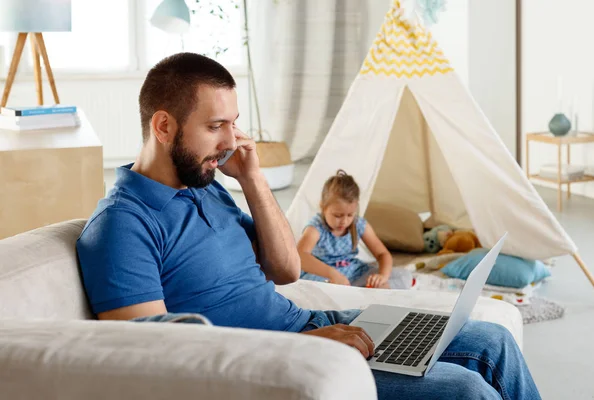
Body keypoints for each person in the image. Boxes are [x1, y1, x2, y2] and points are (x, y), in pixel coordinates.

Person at [76, 52, 541, 400]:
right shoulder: (122, 225)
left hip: (311, 328)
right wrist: (301, 348)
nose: (231, 142)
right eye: (216, 126)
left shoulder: (207, 186)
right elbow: (143, 354)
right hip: (281, 363)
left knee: (492, 342)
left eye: (234, 125)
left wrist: (253, 180)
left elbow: (285, 271)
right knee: (463, 389)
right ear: (163, 126)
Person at [297, 169, 413, 289]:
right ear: (323, 206)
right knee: (318, 290)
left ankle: (368, 292)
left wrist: (382, 276)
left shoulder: (359, 224)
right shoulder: (315, 228)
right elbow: (300, 256)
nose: (344, 221)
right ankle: (364, 294)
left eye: (349, 215)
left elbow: (382, 254)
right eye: (337, 215)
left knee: (403, 275)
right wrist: (332, 274)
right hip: (324, 276)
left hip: (353, 273)